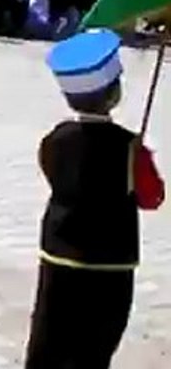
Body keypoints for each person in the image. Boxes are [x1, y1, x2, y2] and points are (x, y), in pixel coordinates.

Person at [25, 29, 165, 368]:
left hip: (58, 257)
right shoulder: (130, 148)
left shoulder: (54, 140)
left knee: (48, 338)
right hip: (110, 265)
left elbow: (52, 174)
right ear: (114, 94)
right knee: (94, 346)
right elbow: (152, 197)